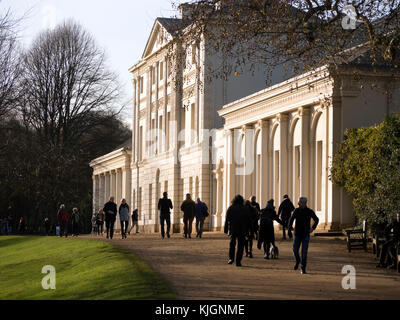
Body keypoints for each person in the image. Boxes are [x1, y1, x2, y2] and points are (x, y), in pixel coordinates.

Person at [288, 197, 319, 274]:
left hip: (305, 234)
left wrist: (313, 228)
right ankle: (298, 260)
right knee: (295, 250)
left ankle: (303, 268)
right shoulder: (296, 211)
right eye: (298, 203)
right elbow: (291, 219)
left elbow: (316, 219)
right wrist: (290, 228)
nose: (298, 204)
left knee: (304, 252)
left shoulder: (309, 211)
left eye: (299, 203)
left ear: (304, 203)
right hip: (297, 233)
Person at [224, 195, 250, 267]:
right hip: (242, 229)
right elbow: (248, 220)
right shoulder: (245, 208)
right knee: (240, 246)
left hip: (233, 229)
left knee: (232, 244)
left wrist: (226, 229)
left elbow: (227, 219)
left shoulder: (231, 208)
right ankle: (238, 261)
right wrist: (250, 230)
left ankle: (231, 258)